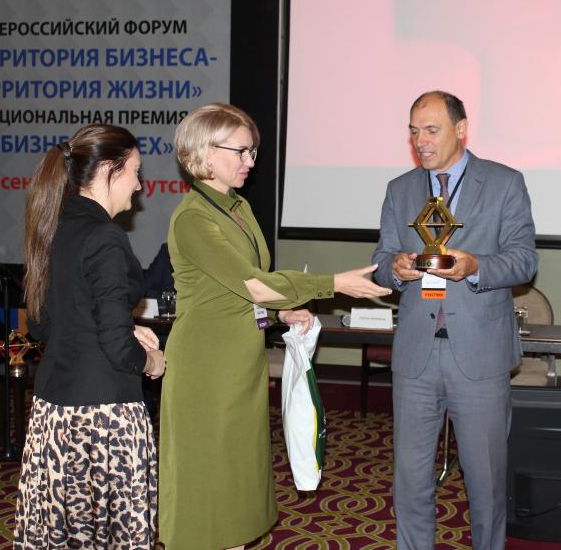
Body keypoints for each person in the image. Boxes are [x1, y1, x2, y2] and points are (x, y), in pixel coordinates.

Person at [158, 102, 391, 550]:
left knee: (236, 480)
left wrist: (279, 315)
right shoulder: (193, 218)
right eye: (240, 151)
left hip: (240, 362)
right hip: (205, 368)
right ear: (204, 153)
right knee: (208, 485)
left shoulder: (237, 207)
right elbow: (254, 285)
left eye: (253, 152)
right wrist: (331, 284)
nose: (250, 161)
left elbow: (241, 293)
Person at [372, 91, 538, 549]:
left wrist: (475, 266)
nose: (420, 141)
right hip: (416, 356)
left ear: (461, 129)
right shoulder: (400, 189)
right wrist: (396, 268)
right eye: (413, 131)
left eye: (431, 130)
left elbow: (525, 260)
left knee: (485, 484)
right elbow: (382, 261)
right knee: (410, 482)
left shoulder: (504, 183)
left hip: (480, 355)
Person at [15, 124, 166, 548]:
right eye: (135, 171)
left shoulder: (54, 226)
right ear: (108, 169)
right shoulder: (106, 237)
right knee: (113, 536)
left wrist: (124, 325)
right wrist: (153, 362)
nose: (139, 185)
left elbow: (43, 325)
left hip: (53, 415)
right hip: (104, 420)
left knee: (65, 536)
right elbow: (118, 349)